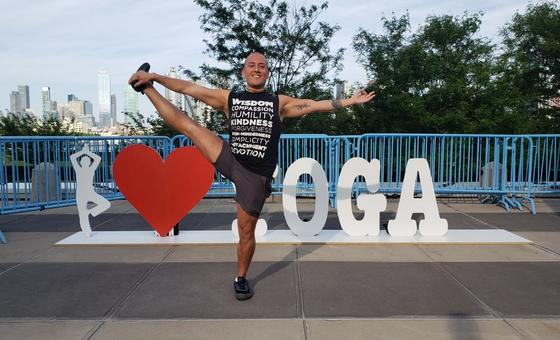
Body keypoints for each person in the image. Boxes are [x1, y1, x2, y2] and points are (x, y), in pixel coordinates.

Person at [128, 52, 375, 300]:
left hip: (255, 177)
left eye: (262, 66)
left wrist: (349, 102)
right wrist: (154, 77)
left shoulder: (279, 103)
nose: (257, 69)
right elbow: (190, 88)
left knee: (246, 233)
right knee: (189, 127)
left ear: (267, 73)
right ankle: (145, 87)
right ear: (243, 71)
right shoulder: (229, 98)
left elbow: (312, 104)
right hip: (230, 158)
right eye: (251, 65)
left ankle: (241, 278)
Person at [70, 144, 111, 237]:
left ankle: (89, 212)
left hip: (89, 192)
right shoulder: (79, 169)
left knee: (105, 204)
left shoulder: (90, 169)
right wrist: (84, 152)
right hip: (81, 193)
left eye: (87, 160)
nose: (85, 162)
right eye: (84, 161)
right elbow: (73, 157)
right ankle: (87, 231)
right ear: (81, 163)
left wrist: (86, 152)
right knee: (82, 213)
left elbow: (98, 158)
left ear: (89, 163)